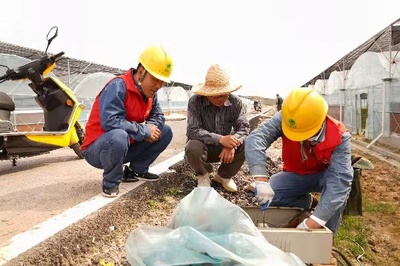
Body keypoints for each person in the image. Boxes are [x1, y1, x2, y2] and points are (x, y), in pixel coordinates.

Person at [245, 87, 353, 234]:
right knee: (275, 188)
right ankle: (303, 206)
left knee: (335, 197)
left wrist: (313, 223)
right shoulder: (288, 118)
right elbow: (256, 138)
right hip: (298, 174)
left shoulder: (340, 136)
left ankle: (326, 239)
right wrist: (261, 179)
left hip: (325, 176)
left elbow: (339, 180)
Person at [81, 45, 174, 198]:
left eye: (162, 82)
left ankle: (137, 169)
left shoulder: (150, 93)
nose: (158, 86)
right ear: (142, 71)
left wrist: (152, 129)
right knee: (119, 136)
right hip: (98, 149)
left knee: (165, 131)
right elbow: (110, 121)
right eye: (155, 79)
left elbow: (158, 116)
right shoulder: (118, 86)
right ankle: (110, 183)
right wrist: (144, 131)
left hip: (126, 145)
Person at [185, 64, 250, 192]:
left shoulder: (235, 102)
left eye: (223, 95)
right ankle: (203, 176)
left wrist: (231, 143)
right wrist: (220, 139)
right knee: (192, 147)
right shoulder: (195, 102)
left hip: (224, 150)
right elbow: (192, 130)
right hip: (203, 148)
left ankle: (223, 176)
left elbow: (244, 127)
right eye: (215, 95)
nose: (219, 99)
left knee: (247, 143)